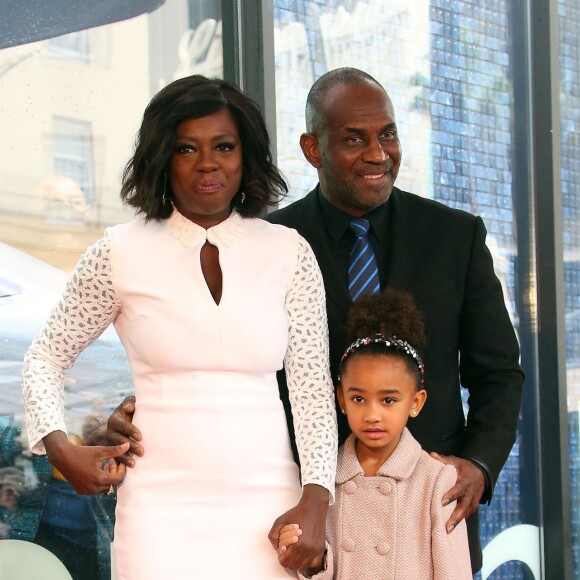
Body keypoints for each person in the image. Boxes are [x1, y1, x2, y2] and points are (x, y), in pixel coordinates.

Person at [108, 67, 524, 572]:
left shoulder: (456, 237)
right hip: (306, 519)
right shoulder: (270, 243)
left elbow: (498, 373)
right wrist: (147, 412)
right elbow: (217, 353)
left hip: (429, 515)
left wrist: (479, 465)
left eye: (387, 134)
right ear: (313, 149)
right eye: (354, 138)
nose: (377, 153)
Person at [21, 74, 338, 579]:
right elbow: (45, 357)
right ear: (162, 158)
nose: (207, 162)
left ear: (246, 156)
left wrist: (318, 498)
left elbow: (311, 391)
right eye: (186, 147)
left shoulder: (289, 253)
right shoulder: (117, 253)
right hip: (157, 512)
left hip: (269, 508)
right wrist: (61, 447)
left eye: (224, 146)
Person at [278, 289, 472, 579]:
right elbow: (320, 562)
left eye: (388, 400)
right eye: (358, 399)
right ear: (341, 400)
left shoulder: (435, 480)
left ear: (416, 402)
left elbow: (453, 571)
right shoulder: (323, 479)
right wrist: (309, 560)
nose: (372, 414)